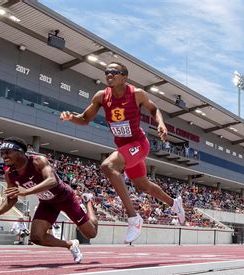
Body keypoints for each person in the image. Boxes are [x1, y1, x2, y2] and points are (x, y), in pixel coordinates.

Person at [60, 62, 185, 243]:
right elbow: (85, 118)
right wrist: (72, 117)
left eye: (113, 72)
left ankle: (133, 218)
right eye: (106, 72)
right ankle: (174, 203)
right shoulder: (101, 96)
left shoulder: (137, 94)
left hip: (139, 144)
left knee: (108, 166)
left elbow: (154, 109)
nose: (108, 74)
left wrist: (161, 123)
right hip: (125, 148)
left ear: (124, 77)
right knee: (143, 186)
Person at [0, 137, 98, 263]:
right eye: (2, 153)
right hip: (48, 204)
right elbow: (11, 200)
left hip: (66, 199)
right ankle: (70, 245)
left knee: (91, 234)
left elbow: (52, 181)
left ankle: (88, 201)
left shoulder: (38, 161)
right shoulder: (9, 174)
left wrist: (27, 191)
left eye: (7, 152)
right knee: (36, 237)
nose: (4, 156)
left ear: (19, 152)